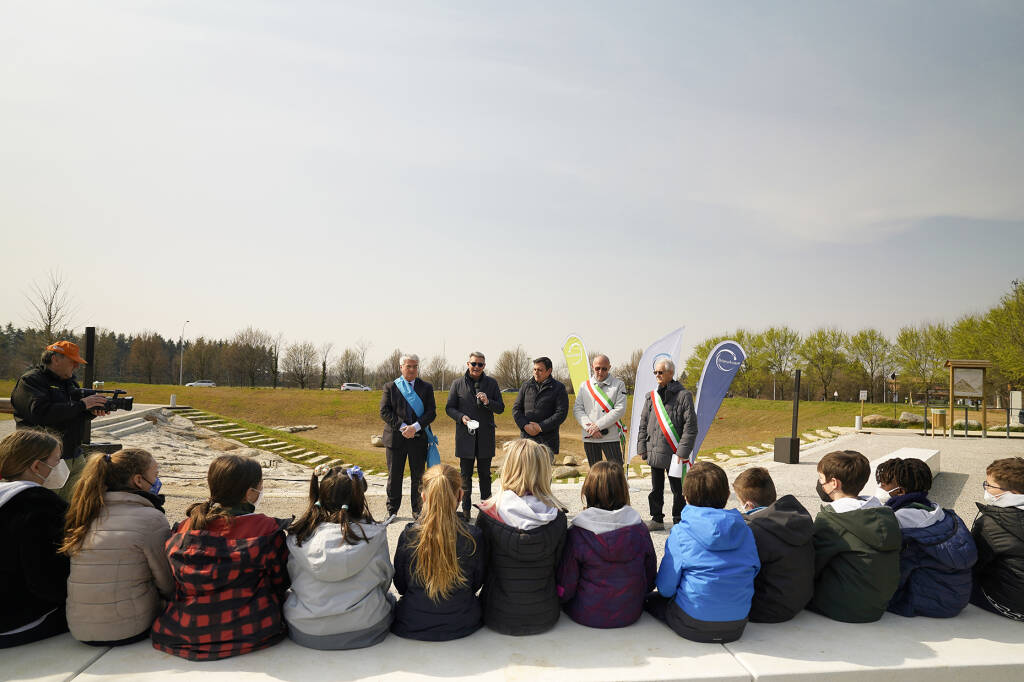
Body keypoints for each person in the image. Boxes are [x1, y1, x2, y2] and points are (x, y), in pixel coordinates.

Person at [151, 455, 289, 660]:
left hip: (182, 631)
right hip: (251, 630)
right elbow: (281, 581)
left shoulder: (185, 526)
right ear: (251, 493)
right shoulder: (265, 528)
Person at [61, 449, 173, 646]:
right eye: (155, 475)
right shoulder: (151, 519)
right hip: (129, 628)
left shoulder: (84, 512)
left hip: (79, 627)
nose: (157, 480)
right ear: (139, 480)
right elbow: (167, 583)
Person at [645, 461, 759, 644]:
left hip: (692, 624)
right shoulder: (745, 530)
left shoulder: (681, 533)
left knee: (650, 600)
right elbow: (754, 569)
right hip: (737, 625)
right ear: (727, 495)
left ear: (686, 497)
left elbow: (666, 589)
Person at [285, 465, 394, 649]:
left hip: (305, 628)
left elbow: (291, 578)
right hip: (367, 625)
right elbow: (385, 578)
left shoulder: (298, 535)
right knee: (389, 599)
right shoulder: (374, 534)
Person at [476, 439, 567, 636]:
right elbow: (559, 568)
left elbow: (480, 569)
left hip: (497, 614)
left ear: (509, 467)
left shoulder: (488, 514)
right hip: (544, 614)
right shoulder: (557, 517)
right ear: (543, 470)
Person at [392, 464, 487, 641]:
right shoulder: (473, 536)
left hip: (412, 621)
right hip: (463, 621)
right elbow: (477, 582)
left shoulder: (410, 535)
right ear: (460, 495)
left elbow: (400, 585)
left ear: (423, 496)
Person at [557, 461, 656, 628]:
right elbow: (650, 577)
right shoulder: (639, 529)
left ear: (589, 490)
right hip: (631, 612)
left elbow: (566, 586)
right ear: (623, 491)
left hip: (586, 614)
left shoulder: (578, 533)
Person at [873, 457, 976, 618]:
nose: (879, 487)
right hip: (955, 594)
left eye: (884, 484)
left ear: (900, 492)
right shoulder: (936, 511)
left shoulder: (899, 519)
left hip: (932, 601)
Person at [11, 340, 109, 501]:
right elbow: (41, 413)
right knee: (46, 507)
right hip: (44, 456)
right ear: (55, 359)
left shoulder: (69, 382)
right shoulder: (31, 380)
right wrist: (82, 405)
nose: (76, 367)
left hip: (74, 455)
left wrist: (90, 411)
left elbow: (73, 412)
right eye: (73, 362)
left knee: (74, 506)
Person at [810, 450, 901, 623]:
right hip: (879, 603)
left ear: (834, 483)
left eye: (821, 480)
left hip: (847, 608)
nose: (820, 484)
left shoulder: (832, 518)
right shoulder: (885, 514)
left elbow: (813, 563)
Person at [0, 430, 71, 648]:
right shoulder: (40, 507)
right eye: (56, 461)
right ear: (36, 466)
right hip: (12, 622)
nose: (60, 467)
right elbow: (47, 582)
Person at [732, 467, 815, 623]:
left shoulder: (755, 531)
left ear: (748, 505)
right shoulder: (797, 517)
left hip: (768, 608)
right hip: (801, 600)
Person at [636, 358, 696, 531]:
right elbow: (643, 423)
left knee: (679, 490)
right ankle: (657, 518)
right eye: (655, 372)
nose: (657, 375)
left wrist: (682, 451)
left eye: (660, 372)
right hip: (654, 450)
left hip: (675, 452)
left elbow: (690, 427)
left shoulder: (684, 395)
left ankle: (679, 519)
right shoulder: (651, 397)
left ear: (671, 373)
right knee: (656, 488)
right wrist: (642, 447)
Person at [446, 351, 505, 521]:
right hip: (465, 436)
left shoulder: (492, 384)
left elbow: (500, 408)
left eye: (480, 364)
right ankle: (465, 512)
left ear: (484, 366)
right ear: (468, 364)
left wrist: (488, 402)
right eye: (474, 364)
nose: (476, 367)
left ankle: (486, 512)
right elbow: (449, 408)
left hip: (485, 436)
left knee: (485, 475)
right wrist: (461, 417)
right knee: (465, 476)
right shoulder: (457, 384)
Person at [380, 354, 436, 519]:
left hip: (418, 439)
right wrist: (404, 427)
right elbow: (384, 411)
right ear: (401, 367)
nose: (412, 369)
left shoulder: (426, 387)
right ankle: (392, 510)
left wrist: (415, 427)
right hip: (396, 439)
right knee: (394, 476)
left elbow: (431, 412)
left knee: (418, 477)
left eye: (415, 366)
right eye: (408, 366)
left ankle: (417, 510)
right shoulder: (390, 387)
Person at [970, 456, 1024, 621]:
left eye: (989, 485)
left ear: (1013, 492)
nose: (985, 488)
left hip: (1012, 605)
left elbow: (972, 563)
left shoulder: (989, 524)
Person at [572, 354, 628, 466]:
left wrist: (598, 425)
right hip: (590, 436)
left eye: (604, 368)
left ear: (609, 367)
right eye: (597, 368)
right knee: (595, 473)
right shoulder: (584, 386)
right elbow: (578, 409)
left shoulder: (619, 385)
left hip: (611, 436)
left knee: (616, 473)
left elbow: (620, 409)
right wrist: (590, 427)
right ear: (593, 367)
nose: (600, 371)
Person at [512, 356, 568, 459]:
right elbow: (516, 409)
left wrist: (540, 427)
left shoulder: (559, 388)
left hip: (547, 441)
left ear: (549, 371)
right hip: (526, 440)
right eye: (534, 369)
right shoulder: (525, 386)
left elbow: (561, 413)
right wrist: (525, 425)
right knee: (525, 473)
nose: (536, 372)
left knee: (544, 474)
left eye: (540, 370)